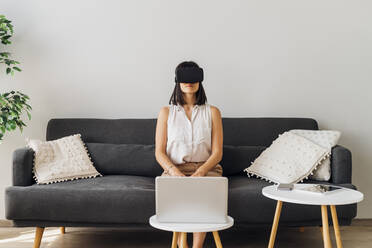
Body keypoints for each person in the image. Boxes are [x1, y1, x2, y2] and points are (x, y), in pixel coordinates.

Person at [155, 60, 223, 248]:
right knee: (174, 194)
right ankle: (182, 244)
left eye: (193, 77)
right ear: (177, 81)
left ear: (200, 80)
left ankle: (197, 246)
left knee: (200, 192)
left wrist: (200, 172)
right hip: (174, 168)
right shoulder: (166, 112)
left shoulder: (213, 112)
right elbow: (159, 152)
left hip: (207, 168)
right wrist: (174, 172)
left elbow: (217, 153)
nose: (189, 82)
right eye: (184, 77)